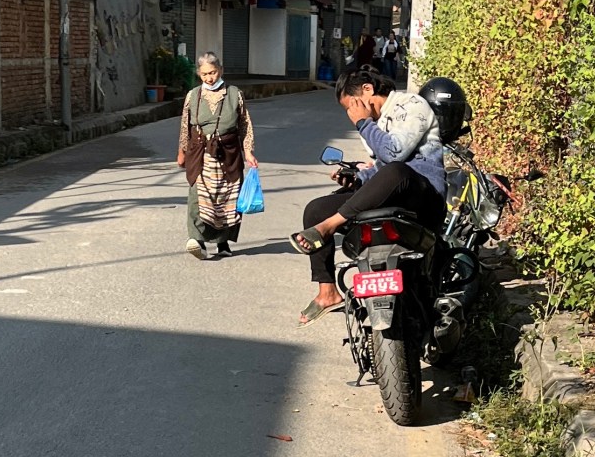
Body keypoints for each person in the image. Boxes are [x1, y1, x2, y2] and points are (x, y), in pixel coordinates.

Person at [290, 68, 445, 325]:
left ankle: (329, 226)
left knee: (397, 170)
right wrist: (358, 179)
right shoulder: (375, 122)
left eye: (352, 105)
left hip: (424, 196)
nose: (351, 113)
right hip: (393, 193)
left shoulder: (411, 105)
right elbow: (381, 169)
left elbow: (394, 155)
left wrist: (363, 123)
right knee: (316, 209)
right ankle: (327, 292)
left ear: (368, 89)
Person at [176, 52, 257, 259]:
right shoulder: (193, 95)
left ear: (220, 70)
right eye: (204, 74)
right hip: (200, 153)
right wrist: (181, 152)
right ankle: (197, 241)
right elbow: (185, 125)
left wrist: (248, 151)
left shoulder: (234, 94)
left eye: (212, 72)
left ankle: (223, 242)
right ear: (199, 74)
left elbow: (244, 124)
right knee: (198, 196)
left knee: (227, 198)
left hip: (228, 153)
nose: (209, 78)